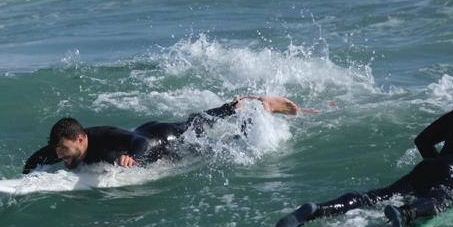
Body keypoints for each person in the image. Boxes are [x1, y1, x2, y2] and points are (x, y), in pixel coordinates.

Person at [274, 70, 453, 227]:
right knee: (441, 199)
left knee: (377, 195)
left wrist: (438, 163)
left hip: (430, 165)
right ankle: (406, 214)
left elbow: (423, 140)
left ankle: (316, 210)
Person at [23, 95, 302, 174]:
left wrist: (132, 158)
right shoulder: (67, 147)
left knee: (225, 144)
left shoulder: (102, 137)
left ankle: (260, 111)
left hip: (165, 140)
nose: (60, 155)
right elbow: (42, 155)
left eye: (64, 149)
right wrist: (27, 173)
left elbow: (140, 143)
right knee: (195, 122)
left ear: (80, 139)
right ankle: (234, 105)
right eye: (58, 150)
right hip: (151, 128)